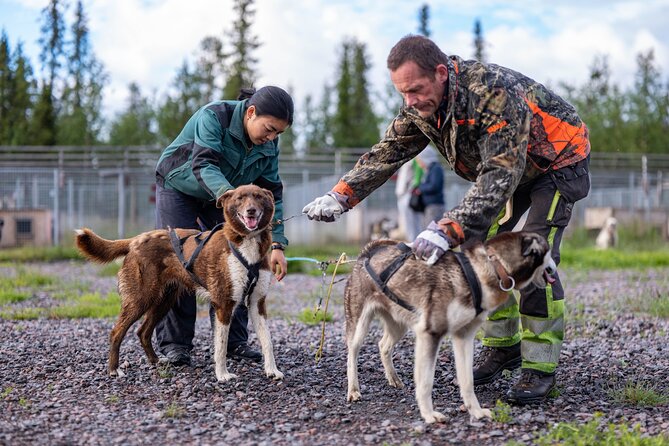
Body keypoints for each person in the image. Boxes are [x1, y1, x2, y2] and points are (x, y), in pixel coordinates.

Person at [302, 34, 590, 405]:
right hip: (508, 172)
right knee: (482, 256)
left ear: (440, 73)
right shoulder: (420, 107)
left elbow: (500, 174)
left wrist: (445, 227)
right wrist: (341, 194)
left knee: (529, 257)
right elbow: (387, 152)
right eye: (403, 93)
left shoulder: (492, 94)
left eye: (416, 89)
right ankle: (503, 347)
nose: (410, 101)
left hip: (556, 163)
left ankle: (539, 366)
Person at [154, 86, 293, 366]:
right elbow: (203, 164)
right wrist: (235, 201)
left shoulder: (269, 144)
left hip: (230, 198)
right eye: (269, 129)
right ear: (251, 112)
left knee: (241, 262)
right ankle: (175, 345)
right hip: (181, 186)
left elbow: (272, 192)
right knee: (180, 261)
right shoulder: (214, 116)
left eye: (279, 133)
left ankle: (233, 343)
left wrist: (277, 244)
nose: (272, 137)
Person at [414, 146, 445, 228]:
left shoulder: (436, 169)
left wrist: (421, 188)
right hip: (429, 206)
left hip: (434, 206)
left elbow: (434, 186)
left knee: (431, 230)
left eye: (420, 161)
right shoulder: (430, 169)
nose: (420, 164)